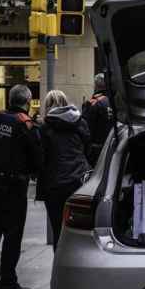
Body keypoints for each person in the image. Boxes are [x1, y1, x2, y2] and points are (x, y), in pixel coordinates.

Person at [0, 84, 43, 289]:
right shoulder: (25, 124)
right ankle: (8, 283)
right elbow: (37, 158)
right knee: (12, 235)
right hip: (14, 187)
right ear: (27, 102)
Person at [37, 90, 92, 246]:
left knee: (58, 231)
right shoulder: (80, 122)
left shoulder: (44, 127)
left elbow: (42, 158)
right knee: (80, 231)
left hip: (54, 185)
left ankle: (61, 266)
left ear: (47, 106)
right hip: (78, 181)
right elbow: (87, 149)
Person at [82, 73, 112, 163]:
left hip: (96, 151)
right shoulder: (115, 102)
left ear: (95, 86)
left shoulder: (92, 103)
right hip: (112, 147)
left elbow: (85, 129)